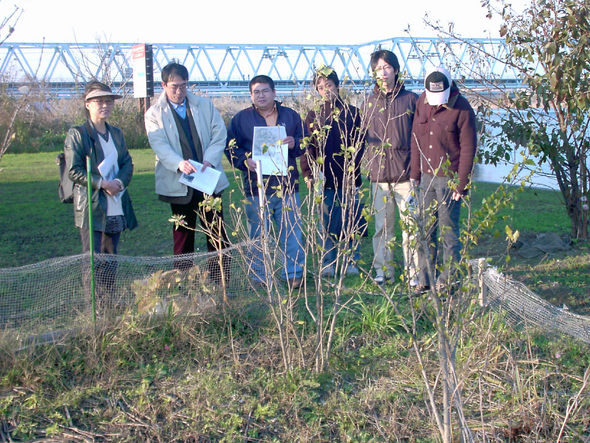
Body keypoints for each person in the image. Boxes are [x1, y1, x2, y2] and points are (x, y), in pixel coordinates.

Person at [144, 62, 231, 284]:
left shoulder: (204, 105)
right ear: (163, 85)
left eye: (183, 85)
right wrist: (179, 163)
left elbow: (219, 134)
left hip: (207, 179)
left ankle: (221, 283)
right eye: (174, 86)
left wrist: (210, 160)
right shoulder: (154, 114)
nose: (179, 91)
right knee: (183, 238)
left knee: (217, 234)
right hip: (178, 183)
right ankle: (184, 286)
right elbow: (159, 145)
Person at [225, 75, 305, 289]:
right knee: (258, 233)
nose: (261, 95)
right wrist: (244, 161)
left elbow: (305, 142)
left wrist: (294, 143)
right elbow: (230, 148)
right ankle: (260, 276)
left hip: (287, 184)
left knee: (291, 231)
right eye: (256, 92)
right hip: (256, 186)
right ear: (251, 95)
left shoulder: (290, 115)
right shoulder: (241, 119)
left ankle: (294, 273)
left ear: (274, 92)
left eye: (265, 91)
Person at [64, 80, 138, 303]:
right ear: (87, 104)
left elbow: (127, 163)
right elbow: (73, 171)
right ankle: (94, 311)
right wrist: (102, 184)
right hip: (93, 207)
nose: (104, 105)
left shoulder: (116, 133)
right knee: (93, 261)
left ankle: (109, 306)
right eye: (99, 101)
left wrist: (118, 182)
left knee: (111, 258)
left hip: (116, 203)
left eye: (108, 101)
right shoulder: (77, 134)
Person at [410, 66, 477, 291]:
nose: (436, 103)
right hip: (426, 178)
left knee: (449, 232)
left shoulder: (463, 109)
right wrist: (414, 173)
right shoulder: (421, 101)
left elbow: (468, 148)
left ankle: (448, 280)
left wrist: (462, 183)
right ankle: (425, 279)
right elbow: (416, 140)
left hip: (449, 180)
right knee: (425, 230)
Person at [300, 66, 365, 277]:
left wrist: (353, 170)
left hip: (348, 178)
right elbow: (307, 148)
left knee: (349, 220)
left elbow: (360, 145)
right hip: (323, 179)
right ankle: (328, 261)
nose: (325, 90)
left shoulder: (353, 113)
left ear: (337, 85)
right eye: (320, 87)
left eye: (328, 85)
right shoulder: (313, 115)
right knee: (325, 222)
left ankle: (350, 260)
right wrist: (309, 174)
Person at [363, 50, 419, 286]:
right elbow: (363, 140)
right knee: (381, 230)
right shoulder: (369, 103)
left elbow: (418, 139)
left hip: (406, 177)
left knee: (412, 229)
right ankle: (382, 271)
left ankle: (414, 275)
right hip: (379, 178)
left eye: (386, 67)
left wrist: (416, 172)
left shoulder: (411, 100)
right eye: (378, 69)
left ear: (396, 70)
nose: (382, 73)